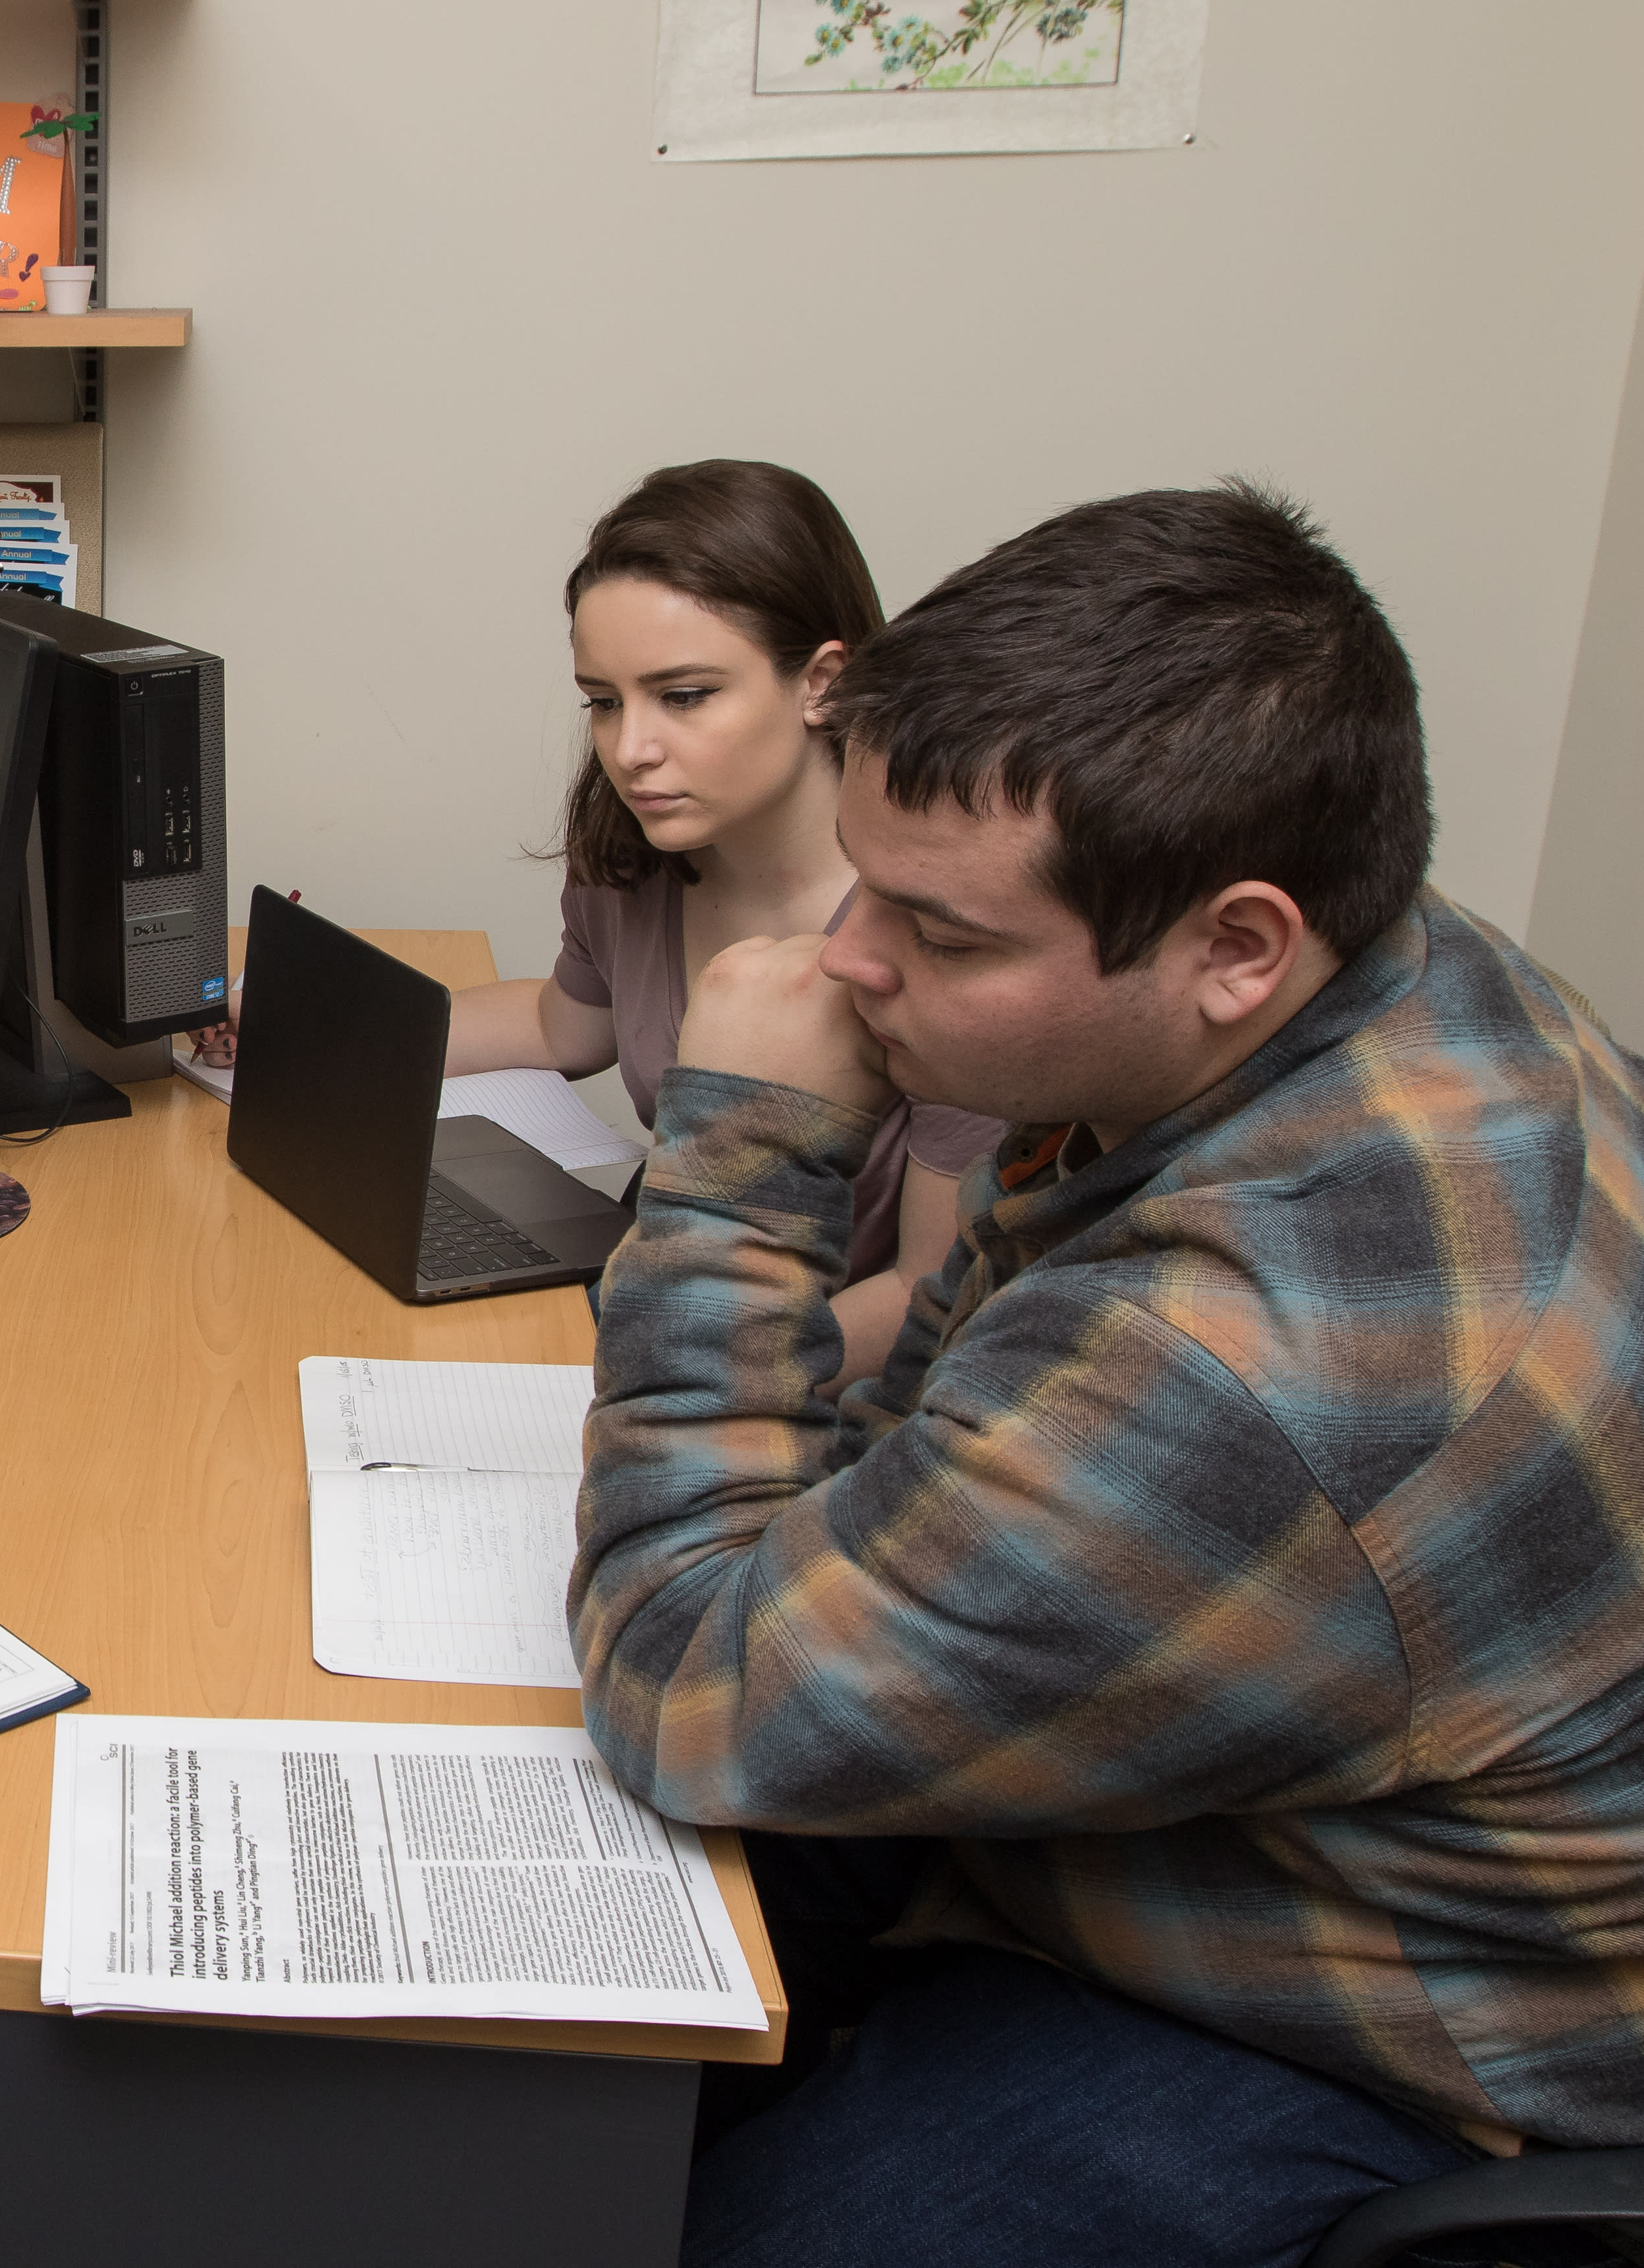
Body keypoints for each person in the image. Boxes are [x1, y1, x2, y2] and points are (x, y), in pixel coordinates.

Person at [573, 483, 1644, 2265]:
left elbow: (690, 1687)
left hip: (1395, 2005)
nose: (845, 964)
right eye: (868, 890)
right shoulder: (1383, 971)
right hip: (1266, 1766)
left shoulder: (1248, 1362)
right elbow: (945, 1395)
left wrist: (746, 1149)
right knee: (558, 2011)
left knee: (696, 2218)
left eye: (948, 937)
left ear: (1237, 945)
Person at [199, 462, 998, 1381]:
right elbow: (560, 1025)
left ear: (822, 683)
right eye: (604, 703)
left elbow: (920, 1296)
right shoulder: (642, 860)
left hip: (812, 1389)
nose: (632, 750)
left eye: (685, 696)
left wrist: (673, 1383)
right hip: (664, 1315)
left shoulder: (940, 935)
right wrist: (295, 1029)